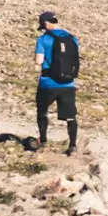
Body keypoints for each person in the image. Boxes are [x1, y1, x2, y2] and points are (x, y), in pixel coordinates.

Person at [33, 11, 80, 154]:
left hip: (48, 83)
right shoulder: (72, 38)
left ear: (46, 23)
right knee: (70, 116)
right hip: (68, 84)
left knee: (42, 111)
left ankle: (44, 141)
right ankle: (72, 146)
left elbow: (39, 61)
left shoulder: (43, 39)